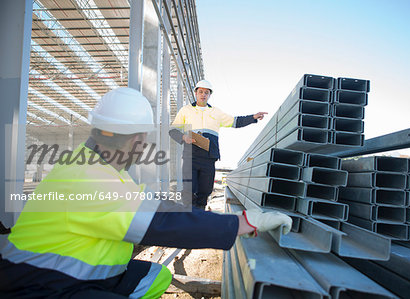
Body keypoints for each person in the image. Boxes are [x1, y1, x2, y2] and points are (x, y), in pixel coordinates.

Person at [0, 87, 291, 298]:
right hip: (37, 285)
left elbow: (152, 204)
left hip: (63, 273)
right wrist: (242, 223)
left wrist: (208, 218)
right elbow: (159, 221)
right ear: (136, 138)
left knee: (155, 277)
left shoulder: (98, 166)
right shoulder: (87, 178)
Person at [170, 80, 267, 210]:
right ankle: (188, 218)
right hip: (190, 157)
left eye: (206, 92)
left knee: (204, 191)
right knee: (189, 191)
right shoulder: (186, 110)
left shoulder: (216, 112)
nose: (203, 95)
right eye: (200, 92)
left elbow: (236, 122)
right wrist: (183, 137)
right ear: (196, 93)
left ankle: (199, 216)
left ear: (210, 95)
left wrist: (253, 117)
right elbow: (172, 130)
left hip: (209, 158)